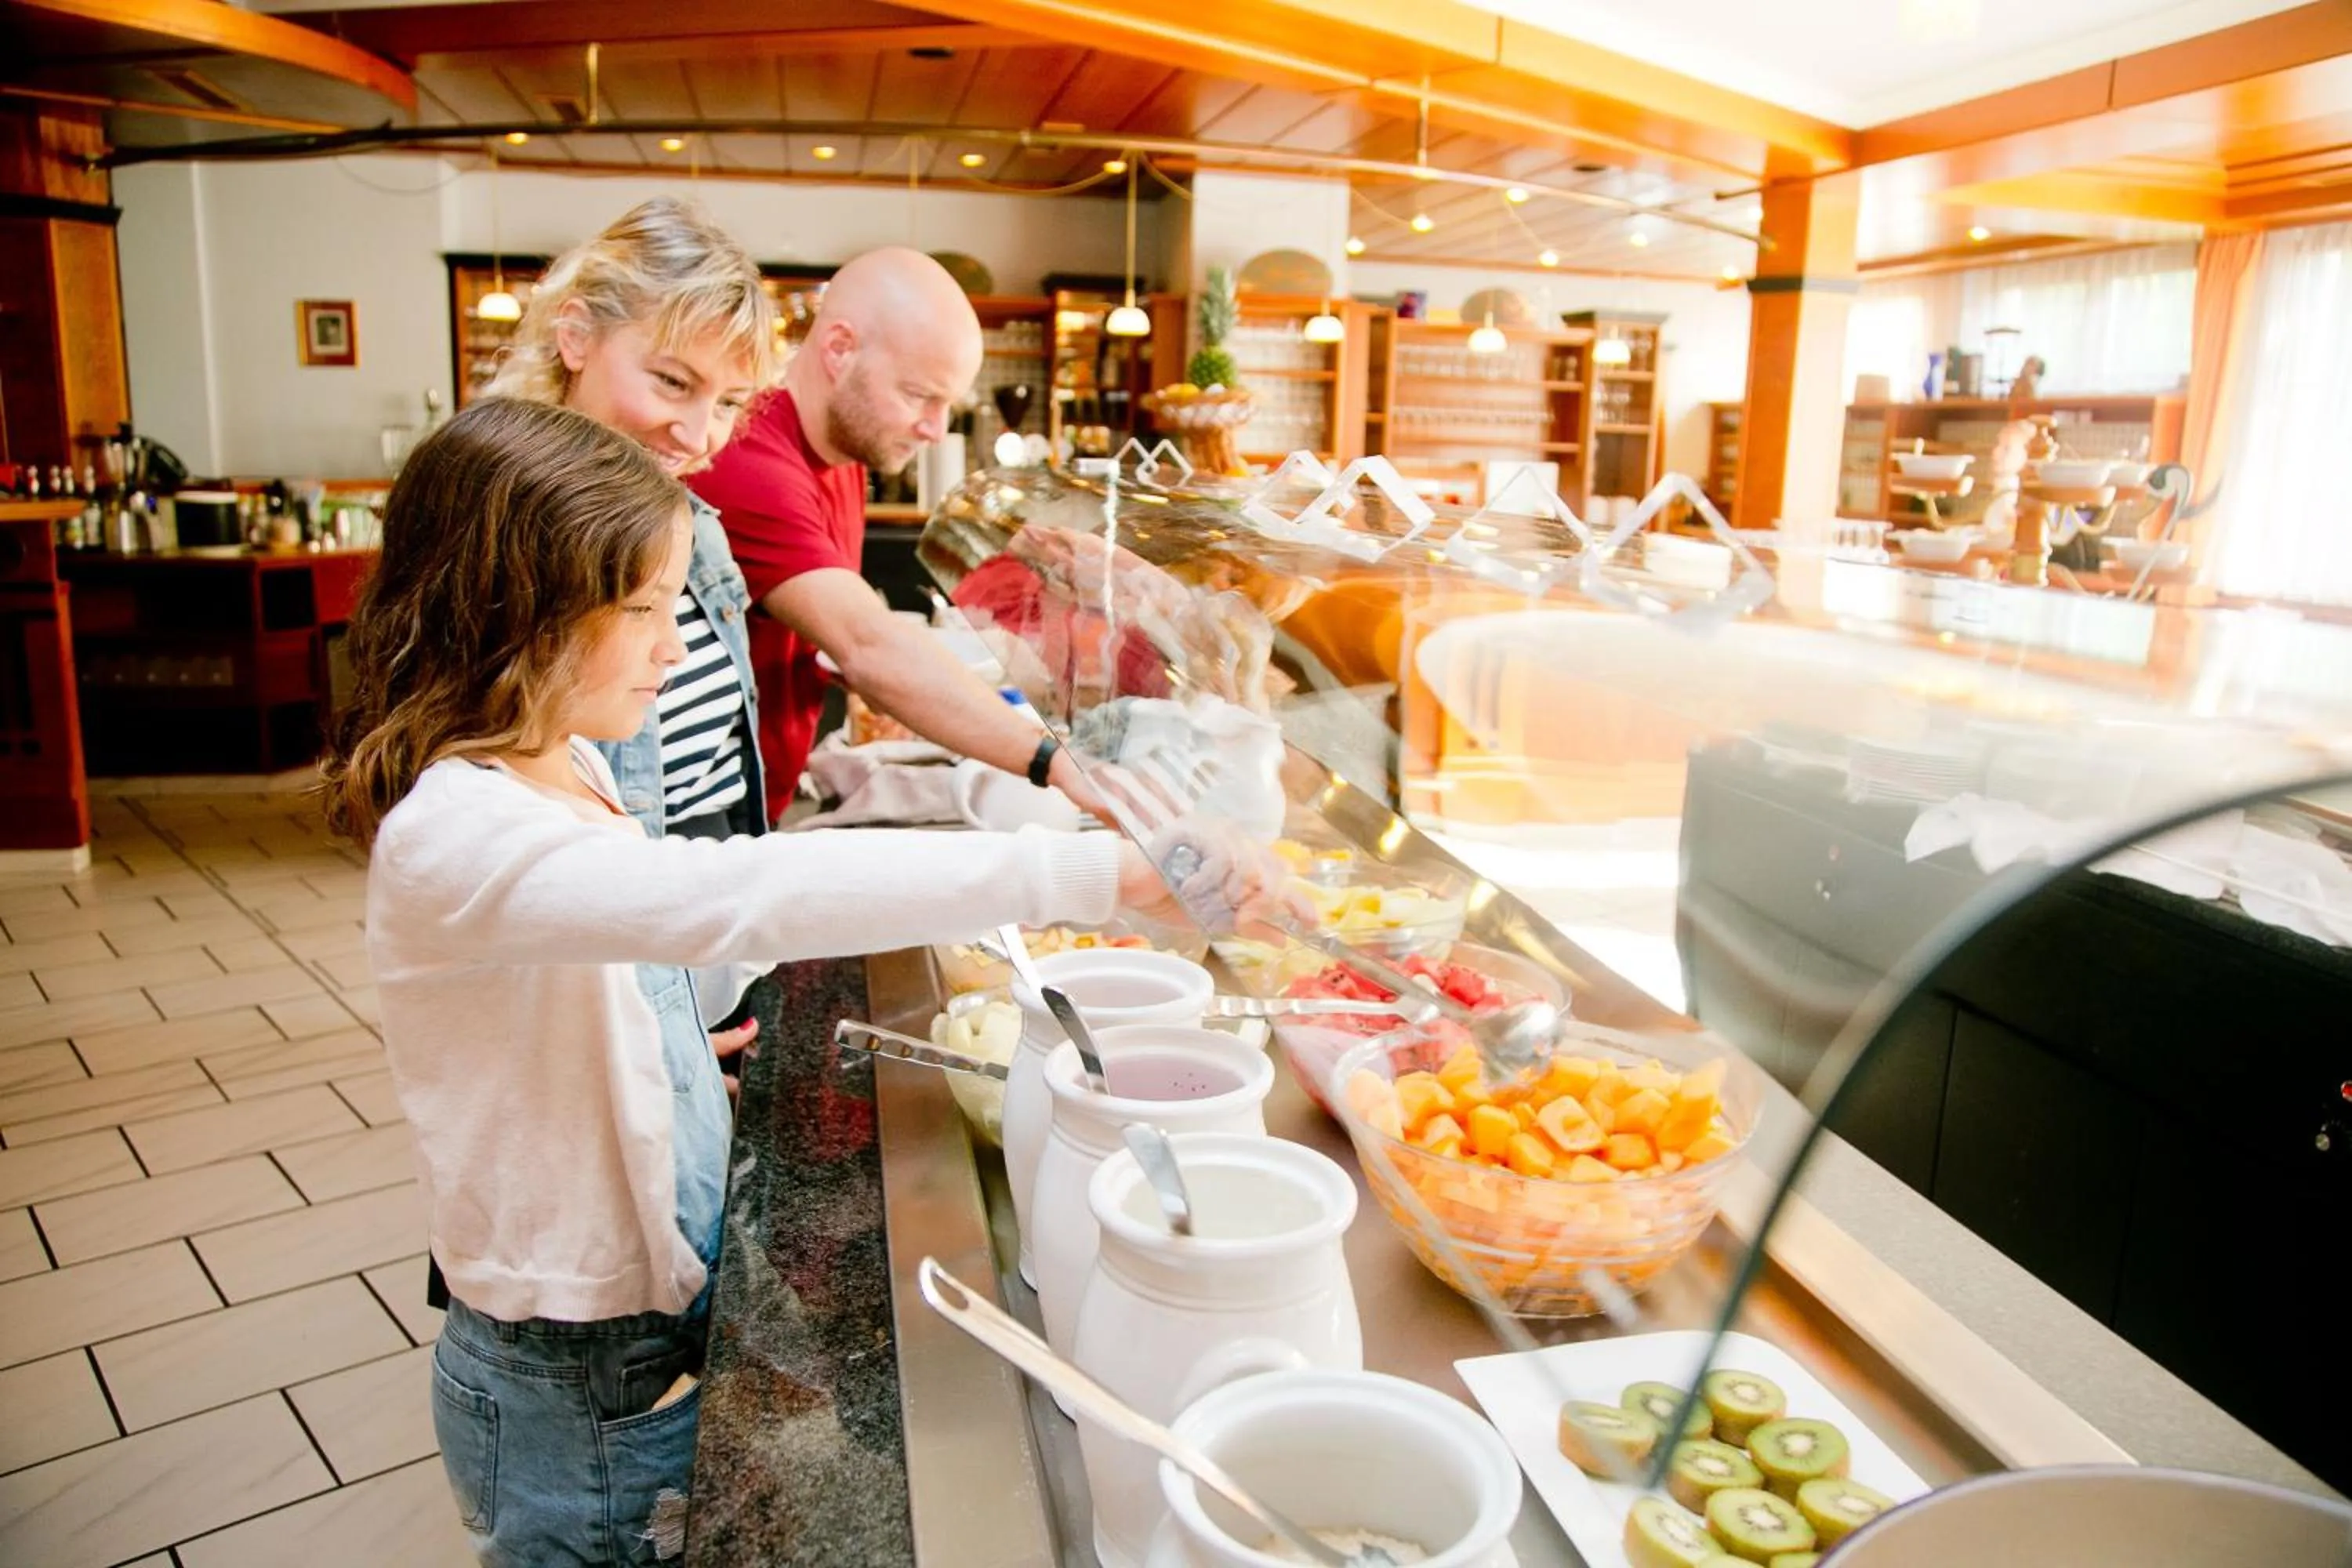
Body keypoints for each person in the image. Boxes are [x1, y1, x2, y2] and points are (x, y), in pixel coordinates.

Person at [320, 397, 1206, 1566]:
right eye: (641, 611)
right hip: (567, 1385)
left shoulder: (561, 758)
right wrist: (1093, 872)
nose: (675, 648)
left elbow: (622, 956)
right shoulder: (456, 830)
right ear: (520, 615)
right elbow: (727, 893)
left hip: (635, 1332)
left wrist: (676, 1044)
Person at [486, 196, 774, 1078]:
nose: (699, 435)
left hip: (705, 910)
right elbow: (499, 839)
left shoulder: (693, 521)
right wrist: (640, 1019)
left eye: (728, 401)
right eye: (673, 382)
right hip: (616, 951)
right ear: (574, 335)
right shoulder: (500, 526)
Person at [691, 247, 1106, 826]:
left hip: (766, 791)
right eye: (918, 396)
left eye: (947, 405)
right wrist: (1052, 762)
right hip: (713, 809)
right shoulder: (753, 461)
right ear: (839, 349)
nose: (936, 431)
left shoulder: (845, 452)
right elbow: (869, 647)